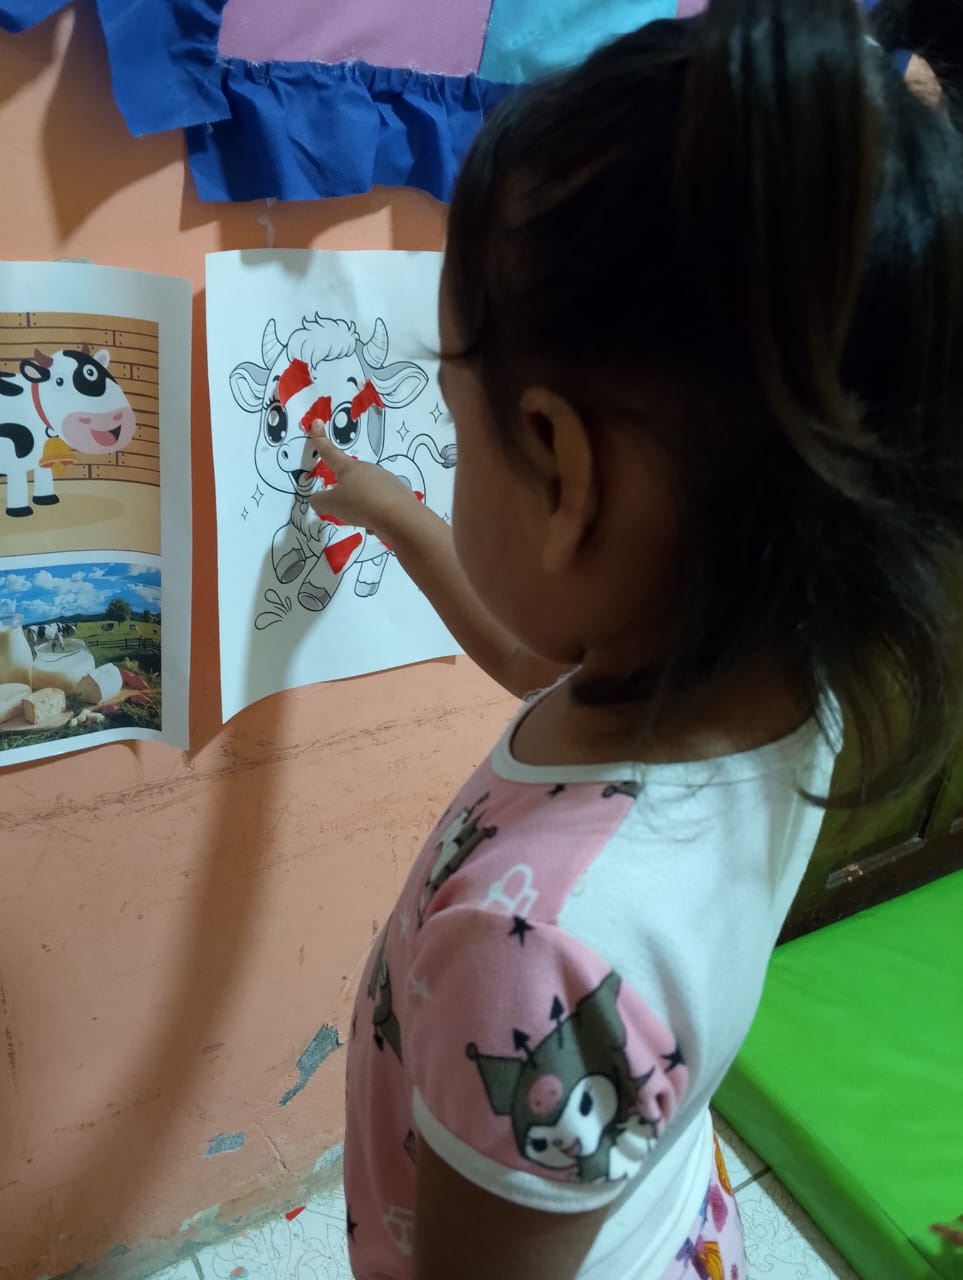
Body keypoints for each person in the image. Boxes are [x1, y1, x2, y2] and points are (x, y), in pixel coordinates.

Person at [306, 0, 963, 1275]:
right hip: (667, 1214)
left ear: (563, 470)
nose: (448, 456)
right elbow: (534, 660)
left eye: (455, 424)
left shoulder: (536, 955)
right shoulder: (777, 674)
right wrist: (395, 511)